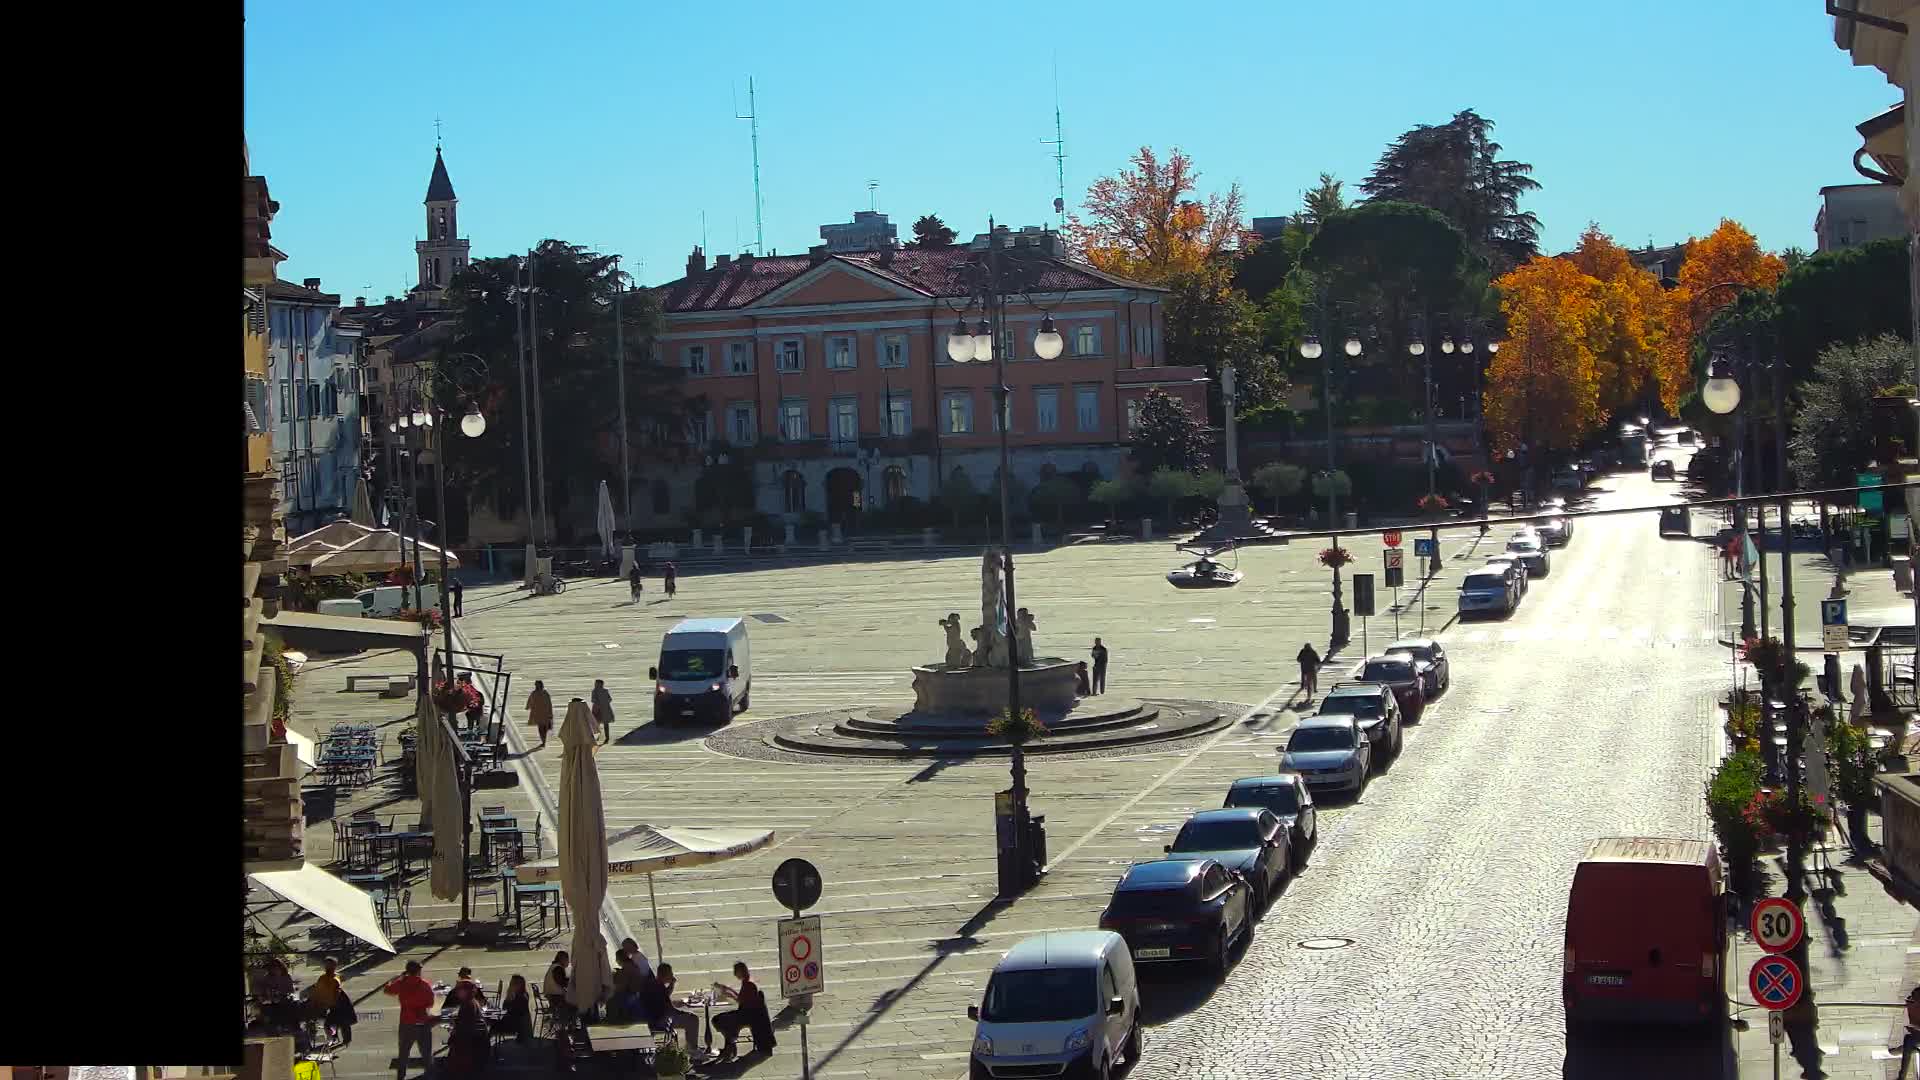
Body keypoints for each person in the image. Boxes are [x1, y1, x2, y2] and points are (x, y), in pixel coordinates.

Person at [383, 960, 437, 1079]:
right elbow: (430, 1003)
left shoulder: (401, 983)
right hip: (422, 1021)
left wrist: (395, 979)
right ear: (419, 971)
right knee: (426, 1053)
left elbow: (387, 990)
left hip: (406, 1021)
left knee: (403, 1052)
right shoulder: (425, 984)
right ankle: (431, 1076)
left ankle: (401, 1076)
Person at [712, 961, 775, 1061]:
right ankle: (730, 1045)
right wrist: (727, 989)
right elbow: (742, 997)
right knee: (724, 1019)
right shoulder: (749, 981)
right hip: (751, 1013)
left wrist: (729, 994)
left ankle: (730, 1045)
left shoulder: (749, 984)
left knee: (718, 1020)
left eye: (735, 972)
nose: (734, 974)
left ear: (740, 972)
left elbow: (740, 1000)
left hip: (749, 1016)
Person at [640, 963, 702, 1060]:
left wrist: (672, 985)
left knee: (688, 1017)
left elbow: (664, 999)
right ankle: (692, 1050)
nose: (672, 976)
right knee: (693, 1020)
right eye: (671, 974)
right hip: (661, 1020)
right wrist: (680, 1010)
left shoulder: (654, 985)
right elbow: (669, 1010)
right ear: (666, 974)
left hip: (653, 1019)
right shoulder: (658, 987)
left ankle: (690, 1048)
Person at [307, 956, 355, 1048]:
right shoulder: (323, 978)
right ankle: (334, 1038)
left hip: (340, 1003)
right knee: (331, 1023)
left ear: (334, 966)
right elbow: (318, 990)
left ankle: (345, 1039)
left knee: (342, 1022)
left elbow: (336, 991)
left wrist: (329, 1002)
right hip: (331, 1003)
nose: (328, 968)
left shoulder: (335, 979)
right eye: (327, 966)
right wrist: (315, 1000)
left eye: (331, 966)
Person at [254, 956, 298, 1031]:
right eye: (273, 968)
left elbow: (291, 990)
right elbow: (263, 991)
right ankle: (273, 1028)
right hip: (270, 1000)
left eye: (277, 968)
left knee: (291, 1006)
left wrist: (282, 993)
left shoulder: (286, 977)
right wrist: (268, 995)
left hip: (284, 999)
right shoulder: (267, 978)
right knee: (269, 1009)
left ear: (281, 968)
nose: (275, 970)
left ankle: (288, 1027)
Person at [492, 974, 534, 1045]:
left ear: (518, 985)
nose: (510, 985)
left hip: (515, 1025)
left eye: (512, 984)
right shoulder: (520, 995)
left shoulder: (520, 997)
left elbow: (510, 1010)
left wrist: (509, 998)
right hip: (515, 1022)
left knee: (492, 1026)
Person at [526, 680, 554, 749]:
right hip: (542, 713)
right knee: (542, 728)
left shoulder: (536, 693)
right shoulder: (543, 693)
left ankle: (543, 741)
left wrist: (528, 706)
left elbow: (530, 701)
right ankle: (543, 741)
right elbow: (549, 703)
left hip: (540, 713)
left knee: (542, 728)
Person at [591, 679, 615, 746]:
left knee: (596, 723)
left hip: (597, 709)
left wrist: (598, 704)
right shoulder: (605, 691)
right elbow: (610, 699)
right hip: (606, 708)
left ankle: (597, 736)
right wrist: (605, 702)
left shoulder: (594, 691)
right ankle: (607, 737)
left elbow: (593, 700)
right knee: (605, 723)